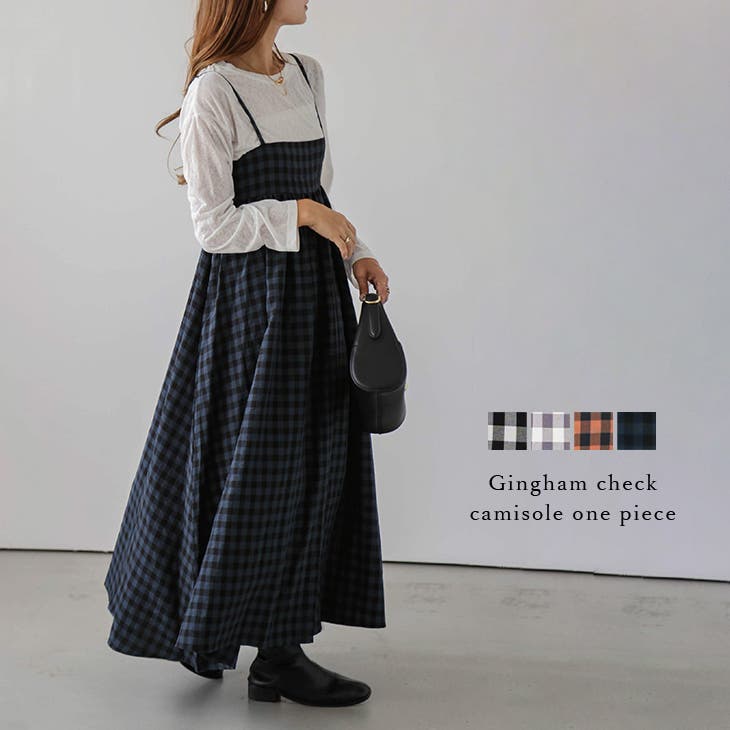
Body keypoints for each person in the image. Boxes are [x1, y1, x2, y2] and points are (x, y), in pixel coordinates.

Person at [103, 0, 391, 708]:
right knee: (255, 472)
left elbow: (320, 189)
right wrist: (302, 215)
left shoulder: (308, 74)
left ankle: (279, 650)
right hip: (249, 312)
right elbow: (214, 226)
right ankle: (247, 642)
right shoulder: (215, 90)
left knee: (316, 466)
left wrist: (355, 250)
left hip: (315, 297)